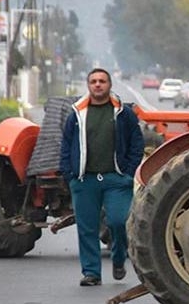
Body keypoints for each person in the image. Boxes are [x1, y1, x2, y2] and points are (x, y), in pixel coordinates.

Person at [59, 68, 145, 286]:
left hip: (115, 180)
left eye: (102, 81)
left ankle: (118, 258)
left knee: (118, 221)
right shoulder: (77, 114)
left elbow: (137, 143)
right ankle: (91, 273)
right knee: (87, 228)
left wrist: (127, 172)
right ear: (88, 85)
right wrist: (70, 175)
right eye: (94, 81)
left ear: (109, 85)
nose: (98, 85)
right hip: (84, 180)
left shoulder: (123, 113)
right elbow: (66, 146)